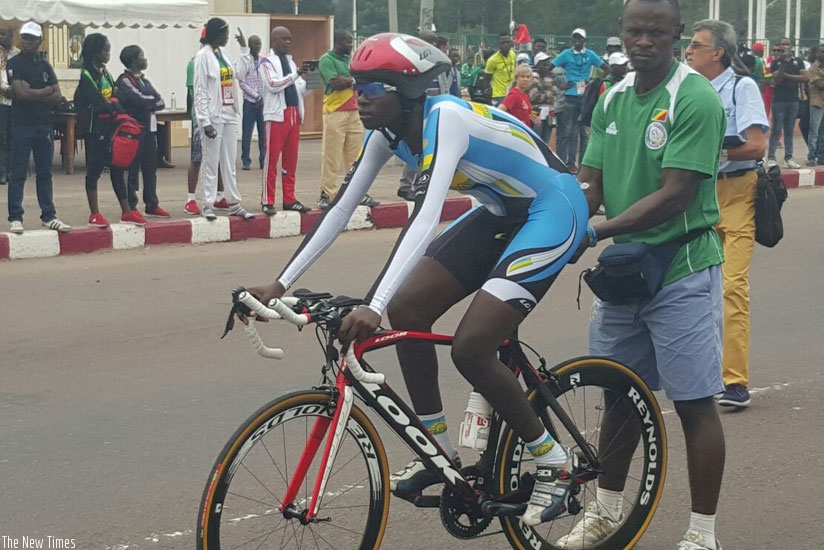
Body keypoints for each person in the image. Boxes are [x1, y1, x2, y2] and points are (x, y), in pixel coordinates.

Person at [237, 32, 589, 528]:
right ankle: (437, 451)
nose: (361, 97)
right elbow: (340, 209)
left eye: (374, 87)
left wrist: (372, 304)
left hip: (554, 209)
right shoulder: (386, 133)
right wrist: (280, 282)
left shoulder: (444, 117)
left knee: (471, 347)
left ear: (408, 91)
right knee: (409, 311)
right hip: (501, 212)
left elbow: (424, 216)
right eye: (359, 86)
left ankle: (555, 462)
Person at [569, 1, 728, 548]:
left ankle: (702, 533)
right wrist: (559, 218)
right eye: (634, 31)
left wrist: (595, 232)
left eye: (655, 32)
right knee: (618, 395)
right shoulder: (612, 98)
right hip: (623, 276)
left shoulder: (694, 98)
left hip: (682, 267)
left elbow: (674, 195)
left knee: (693, 402)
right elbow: (590, 184)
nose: (643, 41)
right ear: (622, 34)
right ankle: (607, 512)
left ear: (677, 36)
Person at [688, 20, 769, 410]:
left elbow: (756, 145)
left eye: (696, 45)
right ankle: (701, 375)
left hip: (737, 193)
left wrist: (715, 151)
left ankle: (735, 381)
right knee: (693, 290)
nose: (688, 51)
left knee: (732, 287)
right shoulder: (689, 89)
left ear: (717, 52)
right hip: (699, 194)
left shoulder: (742, 86)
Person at [6, 22, 70, 234]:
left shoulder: (45, 65)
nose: (27, 41)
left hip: (44, 125)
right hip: (22, 125)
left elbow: (58, 96)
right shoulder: (14, 63)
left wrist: (34, 92)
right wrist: (45, 91)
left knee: (45, 173)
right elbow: (20, 94)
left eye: (32, 38)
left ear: (40, 41)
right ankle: (16, 217)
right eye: (24, 37)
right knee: (18, 173)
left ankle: (48, 215)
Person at [74, 34, 141, 228]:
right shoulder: (86, 75)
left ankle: (127, 211)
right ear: (95, 52)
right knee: (94, 170)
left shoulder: (105, 72)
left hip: (111, 129)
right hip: (95, 130)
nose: (108, 53)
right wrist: (113, 105)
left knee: (118, 169)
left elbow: (115, 95)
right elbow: (99, 102)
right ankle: (94, 213)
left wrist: (114, 104)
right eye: (105, 50)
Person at [193, 17, 255, 221]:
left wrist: (245, 49)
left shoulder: (224, 54)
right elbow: (200, 90)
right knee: (211, 161)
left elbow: (239, 73)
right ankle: (208, 204)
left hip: (229, 113)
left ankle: (234, 202)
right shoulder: (203, 56)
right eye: (224, 34)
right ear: (215, 34)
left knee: (229, 161)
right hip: (213, 115)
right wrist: (204, 120)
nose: (227, 37)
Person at [317, 30, 376, 210]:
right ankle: (328, 194)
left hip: (354, 111)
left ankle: (357, 193)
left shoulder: (349, 60)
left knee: (356, 156)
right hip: (335, 111)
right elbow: (335, 83)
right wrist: (352, 80)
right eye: (348, 42)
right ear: (338, 42)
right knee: (332, 155)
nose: (351, 45)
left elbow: (361, 79)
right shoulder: (326, 60)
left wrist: (349, 80)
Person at [258, 26, 313, 215]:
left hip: (293, 114)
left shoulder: (290, 62)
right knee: (271, 160)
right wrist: (296, 74)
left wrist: (312, 82)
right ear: (274, 40)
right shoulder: (265, 62)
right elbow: (273, 85)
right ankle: (267, 200)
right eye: (284, 39)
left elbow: (298, 89)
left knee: (291, 160)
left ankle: (289, 198)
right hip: (276, 116)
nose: (288, 42)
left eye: (290, 39)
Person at [116, 45, 171, 219]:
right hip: (132, 131)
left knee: (150, 167)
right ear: (133, 60)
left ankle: (152, 204)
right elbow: (138, 99)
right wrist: (152, 102)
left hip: (149, 130)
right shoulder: (124, 80)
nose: (145, 59)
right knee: (132, 169)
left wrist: (152, 102)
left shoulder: (144, 80)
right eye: (142, 56)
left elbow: (160, 100)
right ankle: (131, 205)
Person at [546, 28, 609, 173]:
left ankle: (582, 164)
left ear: (584, 41)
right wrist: (559, 84)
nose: (577, 41)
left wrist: (594, 81)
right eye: (575, 38)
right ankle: (563, 162)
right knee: (567, 132)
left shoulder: (590, 54)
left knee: (583, 132)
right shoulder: (566, 54)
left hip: (585, 97)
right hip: (570, 96)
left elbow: (606, 68)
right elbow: (549, 68)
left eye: (580, 38)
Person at [185, 42, 227, 215]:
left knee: (217, 157)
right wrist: (196, 117)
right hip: (202, 117)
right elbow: (193, 93)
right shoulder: (194, 62)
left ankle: (220, 195)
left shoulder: (221, 60)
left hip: (218, 115)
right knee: (197, 158)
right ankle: (191, 198)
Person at [767, 38, 805, 169]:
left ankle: (789, 157)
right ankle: (771, 157)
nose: (784, 47)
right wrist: (783, 63)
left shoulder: (798, 61)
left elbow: (804, 77)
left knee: (789, 130)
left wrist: (787, 76)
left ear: (791, 46)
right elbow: (776, 80)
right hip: (779, 100)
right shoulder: (776, 62)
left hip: (793, 100)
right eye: (782, 44)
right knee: (776, 129)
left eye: (787, 44)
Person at [235, 30, 266, 171]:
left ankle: (263, 160)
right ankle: (246, 161)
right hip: (250, 101)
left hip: (262, 102)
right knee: (247, 133)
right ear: (249, 45)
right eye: (255, 43)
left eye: (259, 43)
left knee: (263, 133)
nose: (258, 46)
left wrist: (263, 97)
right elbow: (241, 81)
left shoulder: (263, 61)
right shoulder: (244, 60)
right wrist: (256, 96)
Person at [525, 51, 561, 143]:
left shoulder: (550, 78)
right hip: (536, 114)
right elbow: (535, 97)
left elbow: (555, 94)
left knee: (546, 141)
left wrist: (546, 94)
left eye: (547, 64)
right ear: (537, 65)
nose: (547, 67)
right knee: (536, 140)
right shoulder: (532, 79)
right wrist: (549, 93)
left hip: (549, 114)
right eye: (544, 65)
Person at [0, 23, 15, 186]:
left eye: (4, 34)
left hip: (16, 102)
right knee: (2, 137)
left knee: (13, 136)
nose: (0, 37)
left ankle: (12, 170)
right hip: (1, 102)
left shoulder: (17, 54)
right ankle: (2, 172)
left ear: (11, 36)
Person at [484, 32, 516, 105]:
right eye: (503, 43)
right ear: (498, 44)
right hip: (499, 96)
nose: (505, 45)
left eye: (507, 42)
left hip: (512, 93)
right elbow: (486, 80)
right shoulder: (492, 60)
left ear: (510, 43)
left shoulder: (513, 54)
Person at [805, 45, 824, 165]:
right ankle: (811, 157)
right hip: (817, 102)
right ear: (817, 54)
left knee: (823, 132)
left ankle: (821, 156)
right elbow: (820, 85)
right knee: (814, 131)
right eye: (822, 51)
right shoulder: (813, 69)